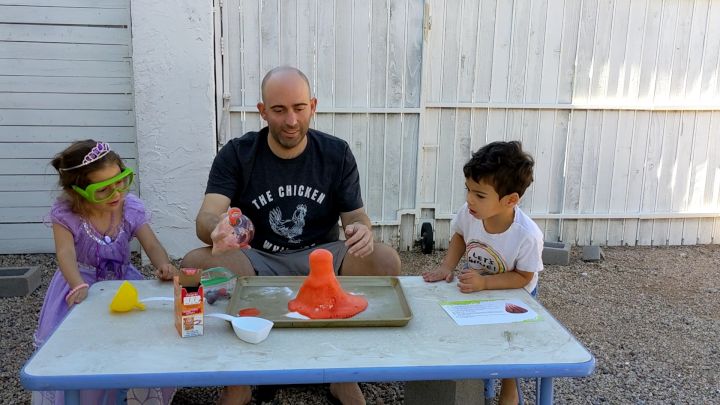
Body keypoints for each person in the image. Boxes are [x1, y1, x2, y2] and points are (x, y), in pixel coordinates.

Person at [181, 66, 401, 405]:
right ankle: (239, 379)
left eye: (299, 108)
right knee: (194, 266)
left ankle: (343, 372)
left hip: (322, 259)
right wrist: (216, 229)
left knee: (385, 260)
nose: (291, 120)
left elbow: (355, 216)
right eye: (279, 110)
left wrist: (362, 229)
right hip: (256, 258)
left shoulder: (336, 153)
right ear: (262, 111)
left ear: (313, 106)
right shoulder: (238, 153)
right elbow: (206, 215)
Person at [33, 139, 177, 405]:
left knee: (134, 344)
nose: (116, 193)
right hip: (80, 286)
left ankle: (130, 397)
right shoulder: (66, 215)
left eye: (121, 181)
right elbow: (65, 253)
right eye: (103, 189)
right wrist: (76, 284)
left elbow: (152, 244)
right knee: (84, 350)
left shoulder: (129, 207)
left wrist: (164, 265)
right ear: (77, 191)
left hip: (123, 285)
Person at [421, 140, 543, 405]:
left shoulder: (527, 235)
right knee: (478, 335)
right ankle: (482, 384)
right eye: (468, 190)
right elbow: (460, 235)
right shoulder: (470, 213)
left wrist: (485, 284)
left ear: (511, 200)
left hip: (515, 295)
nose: (469, 199)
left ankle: (509, 388)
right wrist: (446, 267)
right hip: (478, 284)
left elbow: (524, 277)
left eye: (479, 194)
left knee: (509, 343)